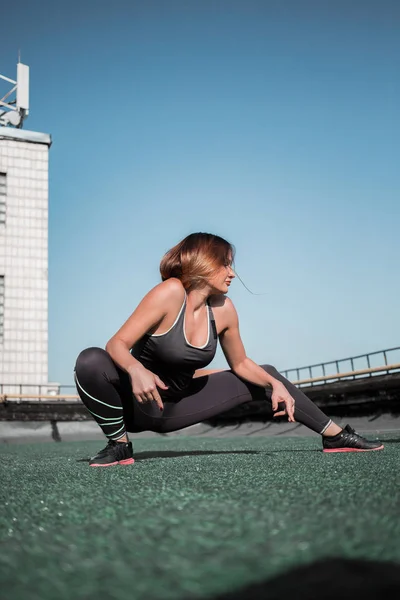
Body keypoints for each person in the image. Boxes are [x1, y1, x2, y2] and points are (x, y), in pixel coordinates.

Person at [74, 232, 384, 467]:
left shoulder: (223, 310)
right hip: (135, 403)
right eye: (226, 264)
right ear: (204, 263)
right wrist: (135, 369)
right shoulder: (169, 293)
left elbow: (241, 363)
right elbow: (116, 343)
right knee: (90, 360)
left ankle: (335, 436)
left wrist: (275, 385)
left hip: (174, 409)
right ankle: (119, 445)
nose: (232, 273)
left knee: (267, 373)